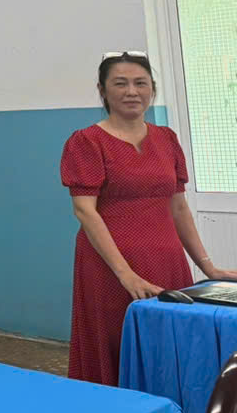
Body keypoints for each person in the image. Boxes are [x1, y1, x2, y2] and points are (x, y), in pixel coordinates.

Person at [62, 51, 237, 386]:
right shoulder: (87, 142)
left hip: (167, 260)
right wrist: (126, 275)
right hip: (109, 266)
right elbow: (85, 210)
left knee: (170, 343)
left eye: (140, 83)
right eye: (120, 83)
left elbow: (179, 207)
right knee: (118, 341)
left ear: (152, 89)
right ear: (102, 90)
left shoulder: (166, 139)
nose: (132, 91)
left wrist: (208, 267)